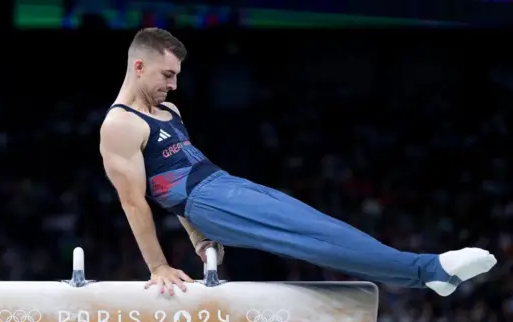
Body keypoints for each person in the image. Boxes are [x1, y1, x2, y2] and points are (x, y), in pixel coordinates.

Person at [98, 27, 497, 297]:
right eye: (167, 74)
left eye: (176, 76)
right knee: (313, 234)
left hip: (221, 188)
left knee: (319, 230)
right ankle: (430, 271)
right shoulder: (120, 125)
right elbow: (135, 202)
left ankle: (426, 274)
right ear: (139, 66)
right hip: (211, 199)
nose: (173, 84)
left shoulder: (169, 111)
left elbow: (170, 186)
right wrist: (158, 267)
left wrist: (199, 239)